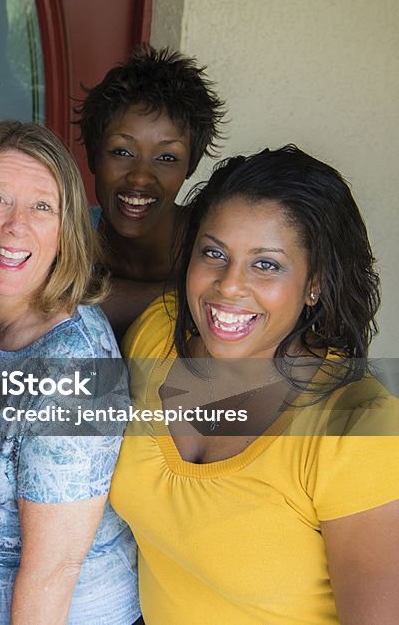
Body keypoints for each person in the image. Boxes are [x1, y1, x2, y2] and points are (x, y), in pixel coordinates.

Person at [109, 146, 399, 623]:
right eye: (214, 253)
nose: (228, 285)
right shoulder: (157, 337)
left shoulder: (357, 430)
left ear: (315, 284)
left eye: (266, 264)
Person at [0, 121, 141, 624]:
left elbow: (52, 573)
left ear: (65, 229)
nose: (16, 226)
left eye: (42, 207)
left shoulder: (78, 366)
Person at [74, 45, 225, 339]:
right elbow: (46, 304)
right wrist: (186, 295)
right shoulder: (68, 235)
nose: (141, 177)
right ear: (93, 156)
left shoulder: (216, 244)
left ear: (190, 166)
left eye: (167, 158)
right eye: (122, 151)